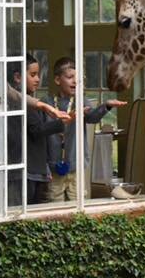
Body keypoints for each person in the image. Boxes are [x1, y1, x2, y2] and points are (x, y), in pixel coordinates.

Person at [44, 57, 126, 202]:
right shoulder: (47, 103)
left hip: (76, 167)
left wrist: (106, 106)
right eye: (70, 77)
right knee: (54, 203)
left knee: (78, 203)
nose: (75, 81)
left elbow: (92, 117)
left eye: (78, 78)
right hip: (53, 169)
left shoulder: (81, 101)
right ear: (57, 80)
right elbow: (41, 132)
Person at [7, 55, 71, 205]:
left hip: (34, 168)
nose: (37, 79)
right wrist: (61, 123)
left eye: (38, 75)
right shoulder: (21, 103)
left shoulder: (30, 101)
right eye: (33, 75)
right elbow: (36, 130)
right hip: (26, 169)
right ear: (17, 77)